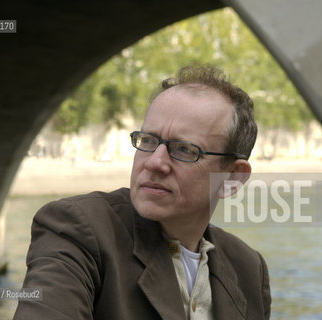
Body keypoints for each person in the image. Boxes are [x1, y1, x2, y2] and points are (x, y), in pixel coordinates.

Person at [14, 64, 271, 319]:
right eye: (148, 141)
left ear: (232, 178)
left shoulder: (248, 269)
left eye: (184, 150)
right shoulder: (76, 229)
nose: (154, 162)